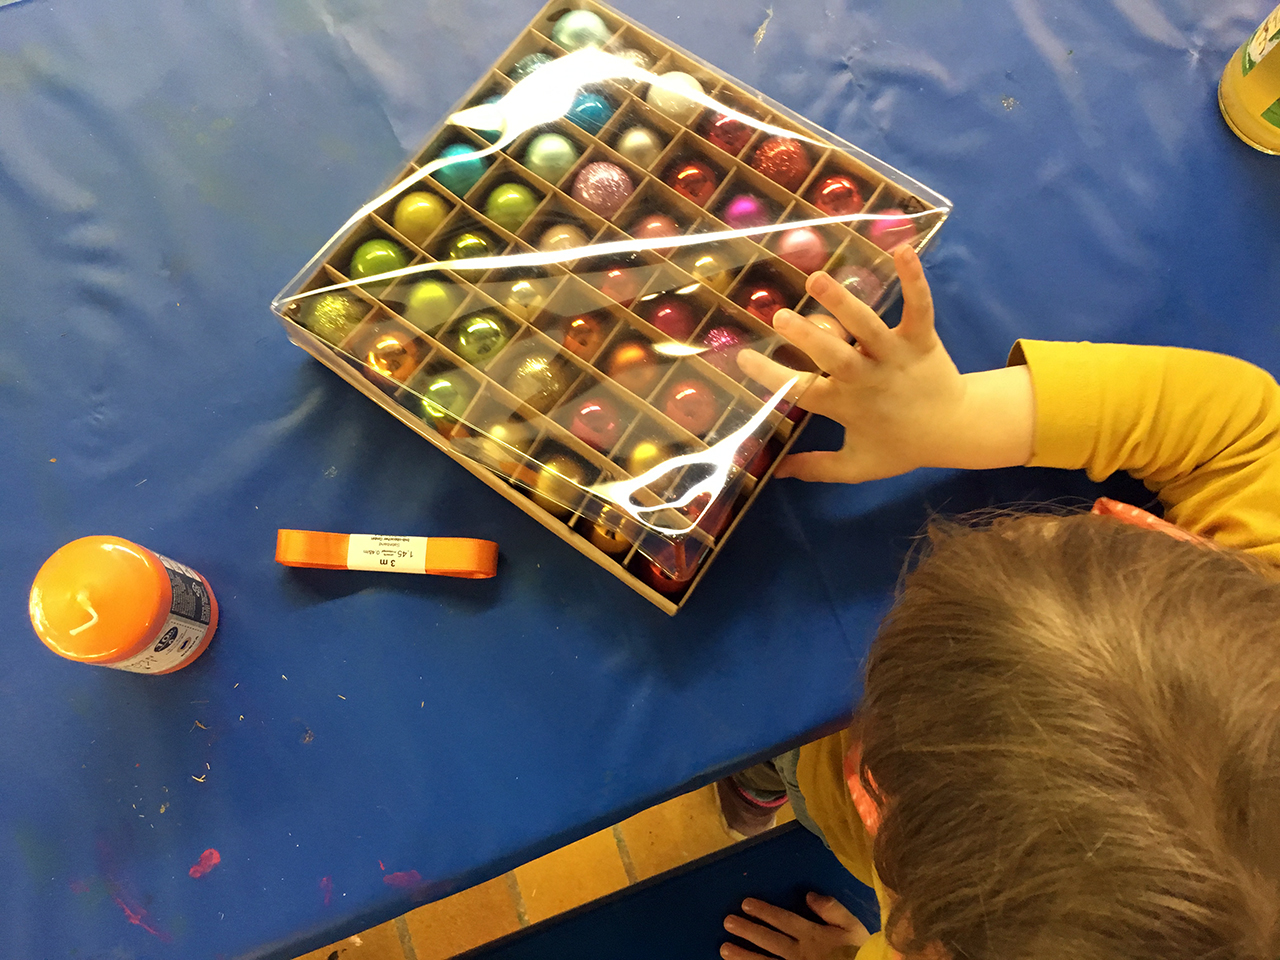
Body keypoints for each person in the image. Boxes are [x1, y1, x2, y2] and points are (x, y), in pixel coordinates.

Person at [713, 245, 1280, 960]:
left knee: (787, 765)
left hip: (846, 805)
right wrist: (958, 417)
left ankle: (765, 785)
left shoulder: (956, 929)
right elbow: (1243, 428)